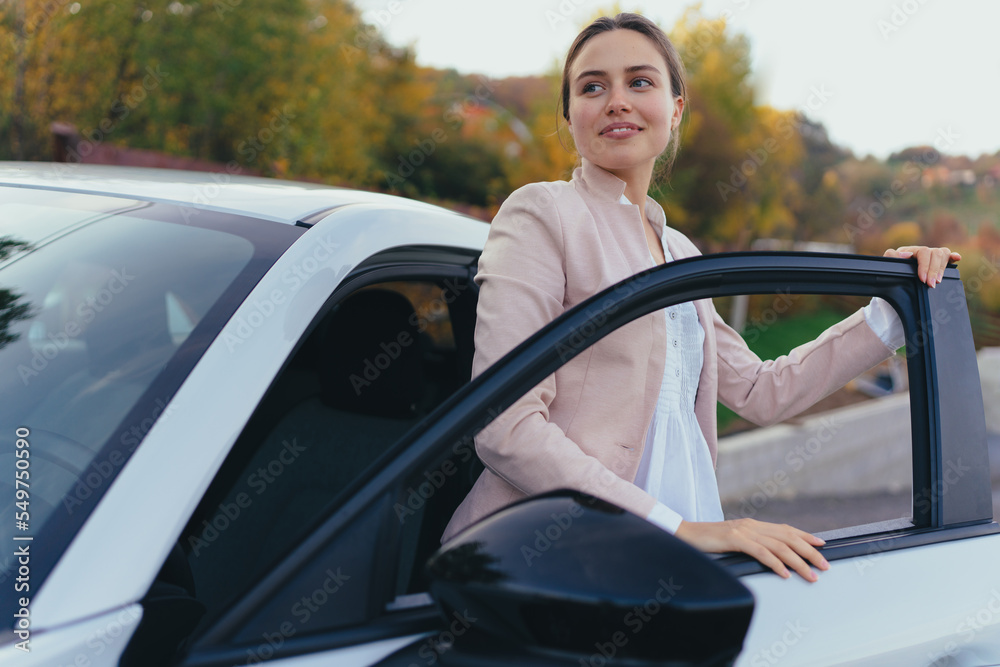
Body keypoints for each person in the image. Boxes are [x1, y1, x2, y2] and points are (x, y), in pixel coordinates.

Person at [441, 12, 960, 582]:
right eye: (593, 86)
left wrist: (892, 306)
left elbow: (762, 392)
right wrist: (678, 528)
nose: (617, 101)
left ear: (676, 107)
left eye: (640, 81)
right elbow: (504, 424)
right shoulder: (542, 213)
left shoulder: (680, 253)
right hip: (543, 564)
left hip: (677, 556)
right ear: (569, 117)